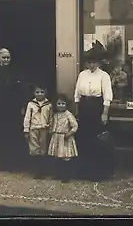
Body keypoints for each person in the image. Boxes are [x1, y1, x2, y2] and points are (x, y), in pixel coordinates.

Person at [73, 40, 115, 181]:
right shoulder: (82, 75)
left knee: (97, 140)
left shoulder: (104, 76)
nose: (91, 65)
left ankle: (98, 173)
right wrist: (77, 110)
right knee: (84, 139)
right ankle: (85, 172)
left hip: (97, 108)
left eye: (94, 62)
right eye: (89, 63)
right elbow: (77, 94)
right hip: (84, 107)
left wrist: (104, 113)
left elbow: (107, 95)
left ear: (99, 63)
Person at [0, 48, 28, 171]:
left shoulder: (15, 72)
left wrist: (22, 106)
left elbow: (21, 90)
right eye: (4, 57)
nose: (6, 60)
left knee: (12, 136)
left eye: (8, 57)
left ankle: (12, 164)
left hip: (12, 109)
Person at [23, 84, 53, 179]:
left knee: (43, 149)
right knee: (34, 149)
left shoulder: (48, 105)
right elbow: (27, 118)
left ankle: (43, 170)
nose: (39, 94)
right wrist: (26, 130)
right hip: (33, 129)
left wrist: (50, 129)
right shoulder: (31, 104)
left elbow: (51, 118)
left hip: (44, 129)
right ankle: (36, 170)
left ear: (45, 93)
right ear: (34, 93)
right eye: (37, 92)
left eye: (42, 92)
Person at [48, 94, 79, 183]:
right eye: (59, 103)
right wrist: (51, 131)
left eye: (63, 103)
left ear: (66, 105)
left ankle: (66, 175)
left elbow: (75, 126)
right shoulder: (55, 115)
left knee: (65, 157)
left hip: (65, 138)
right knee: (57, 156)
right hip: (56, 137)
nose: (60, 105)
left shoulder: (68, 115)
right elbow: (52, 124)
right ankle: (58, 174)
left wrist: (69, 134)